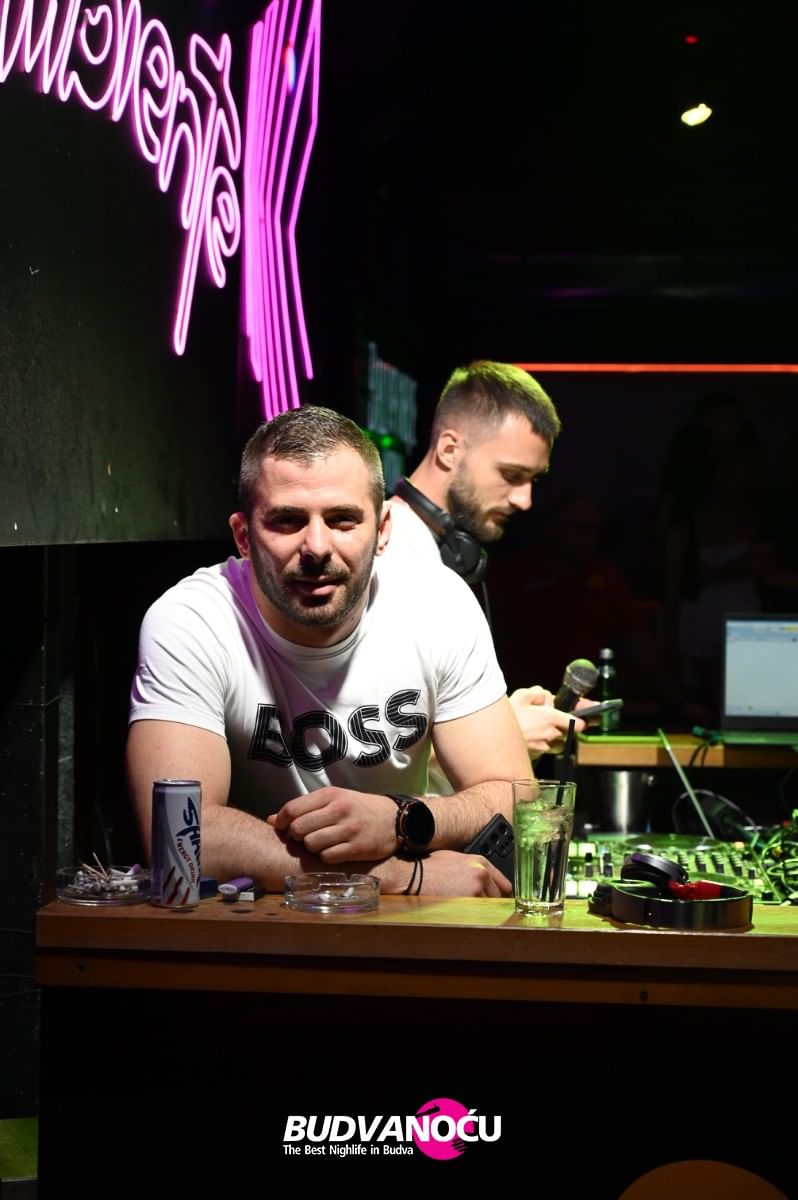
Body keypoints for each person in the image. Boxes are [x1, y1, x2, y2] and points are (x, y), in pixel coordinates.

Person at [126, 405, 530, 896]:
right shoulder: (192, 620)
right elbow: (178, 838)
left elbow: (517, 797)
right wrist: (397, 875)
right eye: (287, 520)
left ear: (383, 530)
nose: (316, 547)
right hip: (255, 921)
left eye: (342, 520)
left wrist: (401, 819)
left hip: (402, 926)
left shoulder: (437, 603)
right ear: (243, 536)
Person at [385, 359, 592, 757]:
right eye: (511, 475)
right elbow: (360, 739)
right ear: (449, 449)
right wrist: (504, 735)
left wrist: (504, 717)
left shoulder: (443, 553)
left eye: (533, 479)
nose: (525, 500)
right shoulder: (385, 552)